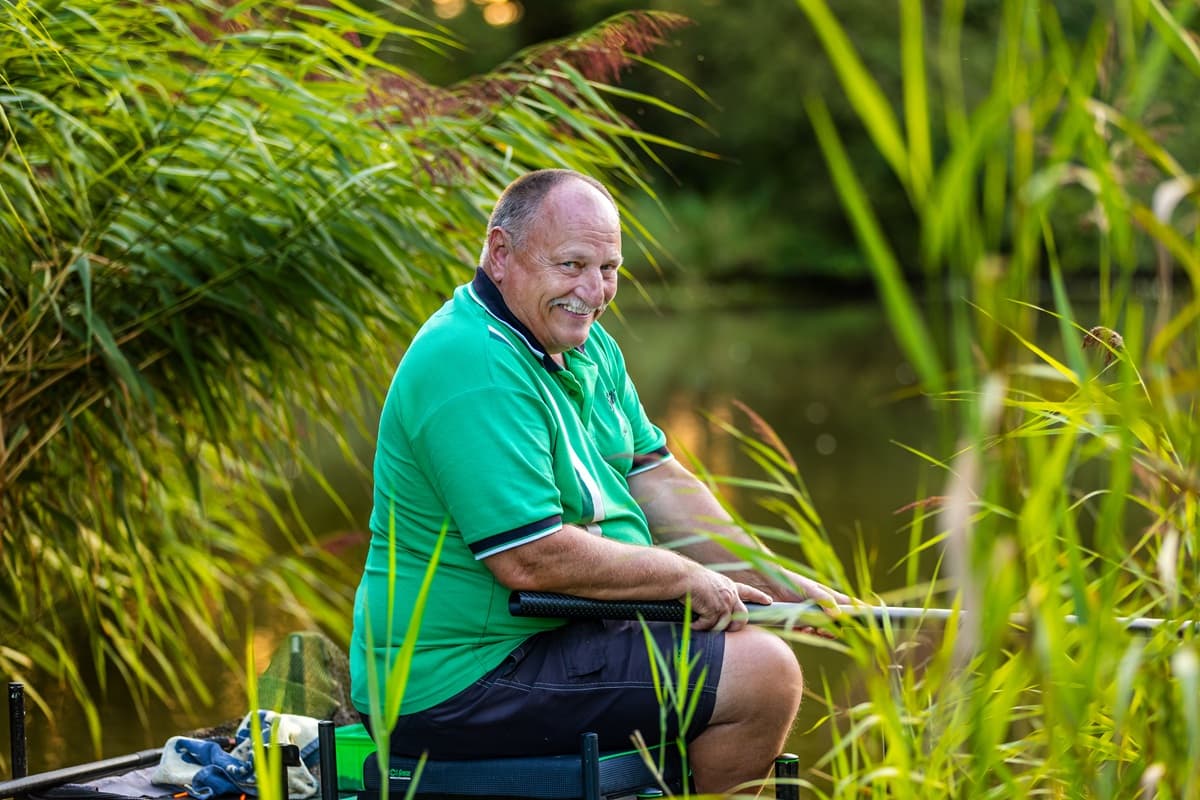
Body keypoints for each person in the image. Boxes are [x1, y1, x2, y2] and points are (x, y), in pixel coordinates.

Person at [348, 168, 849, 796]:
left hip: (551, 635)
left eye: (609, 268)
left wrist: (768, 575)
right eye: (572, 265)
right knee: (763, 674)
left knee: (739, 638)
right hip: (453, 680)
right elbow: (530, 557)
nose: (594, 289)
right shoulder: (472, 362)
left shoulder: (584, 345)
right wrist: (685, 577)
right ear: (501, 254)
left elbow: (658, 479)